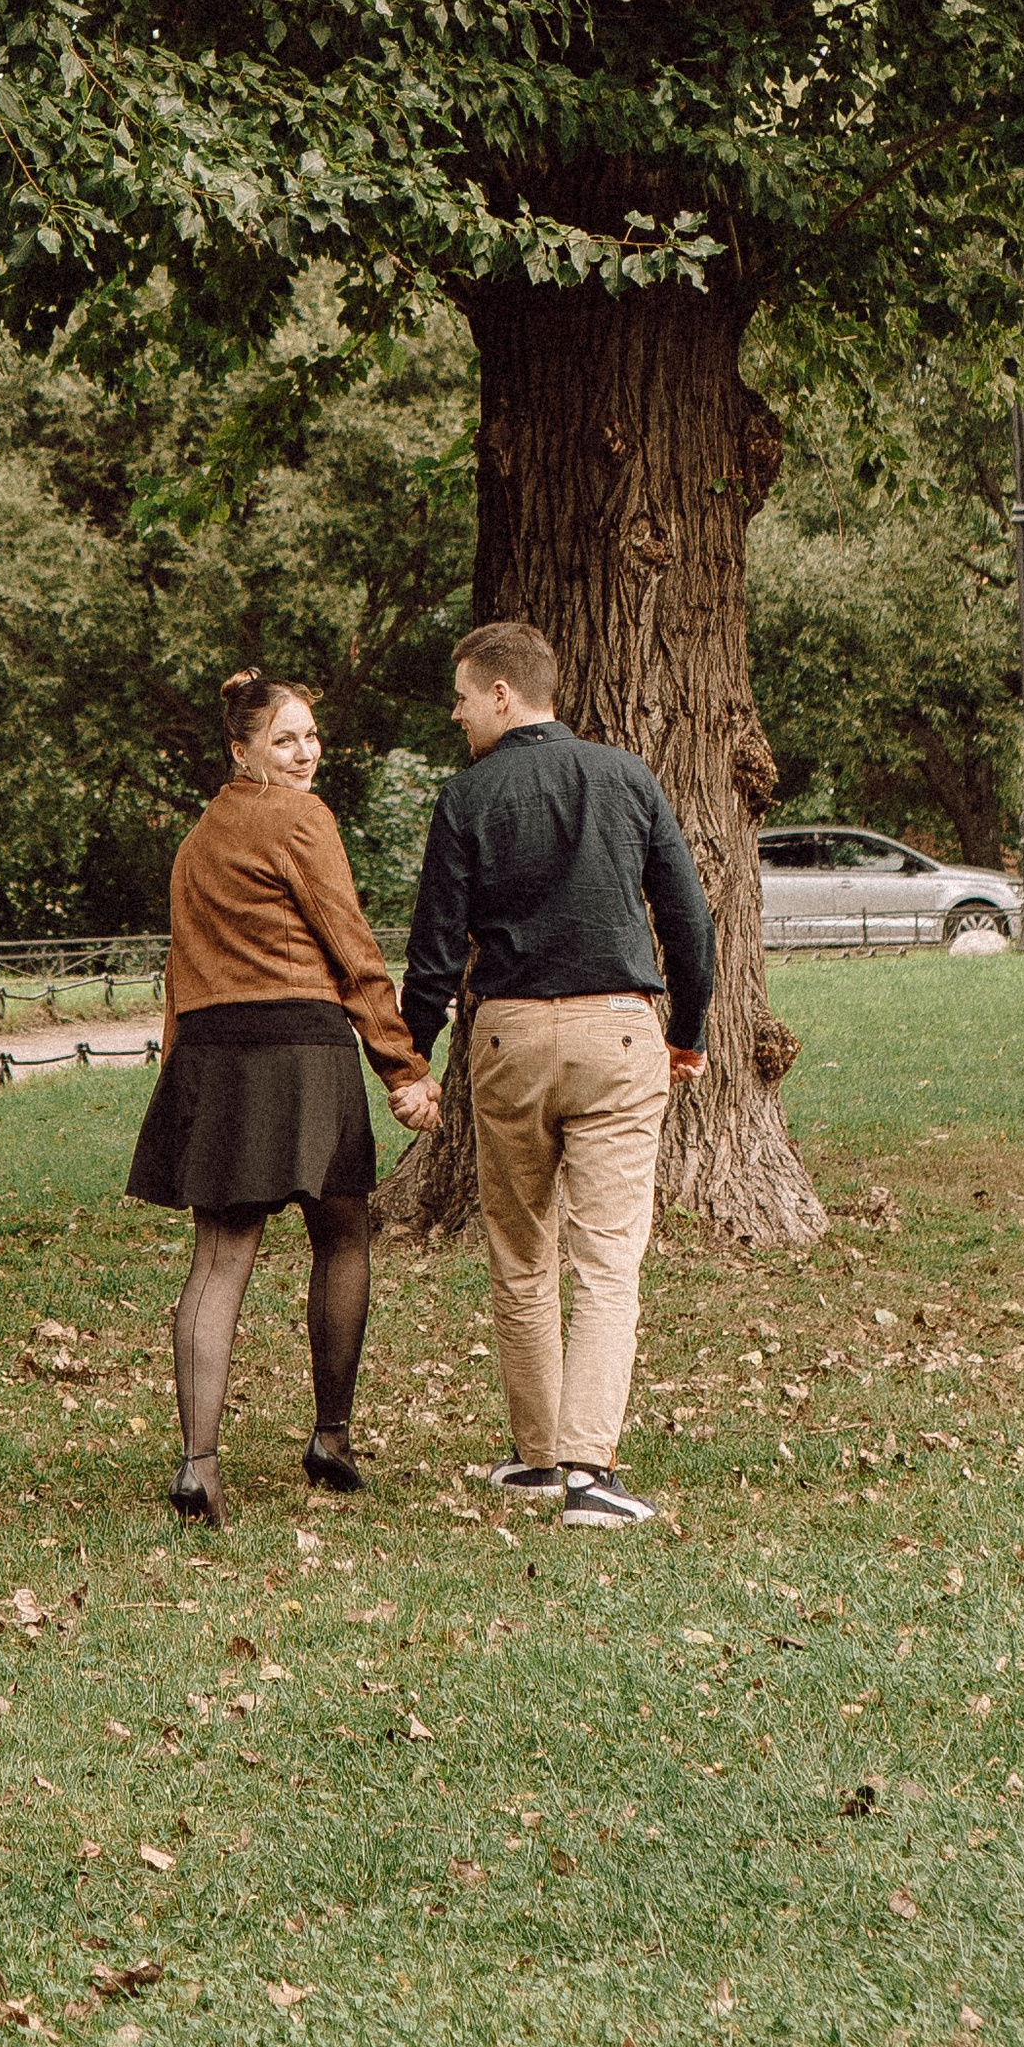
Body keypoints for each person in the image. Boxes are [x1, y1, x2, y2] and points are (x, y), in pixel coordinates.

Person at [399, 617, 714, 1527]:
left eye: (462, 698)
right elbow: (691, 923)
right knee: (608, 1261)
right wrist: (687, 1035)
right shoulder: (626, 778)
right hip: (619, 1034)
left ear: (503, 694)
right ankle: (588, 1472)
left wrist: (414, 1058)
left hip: (505, 1041)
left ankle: (537, 1456)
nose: (457, 715)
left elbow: (432, 951)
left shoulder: (465, 798)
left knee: (521, 1252)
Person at [127, 670, 440, 1524]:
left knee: (220, 1259)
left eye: (310, 737)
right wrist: (404, 1069)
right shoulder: (302, 818)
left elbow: (180, 973)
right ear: (243, 751)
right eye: (284, 740)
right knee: (343, 1236)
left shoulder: (196, 841)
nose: (305, 754)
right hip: (302, 1051)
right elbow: (353, 948)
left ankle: (199, 1465)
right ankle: (329, 1438)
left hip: (217, 1058)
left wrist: (178, 1076)